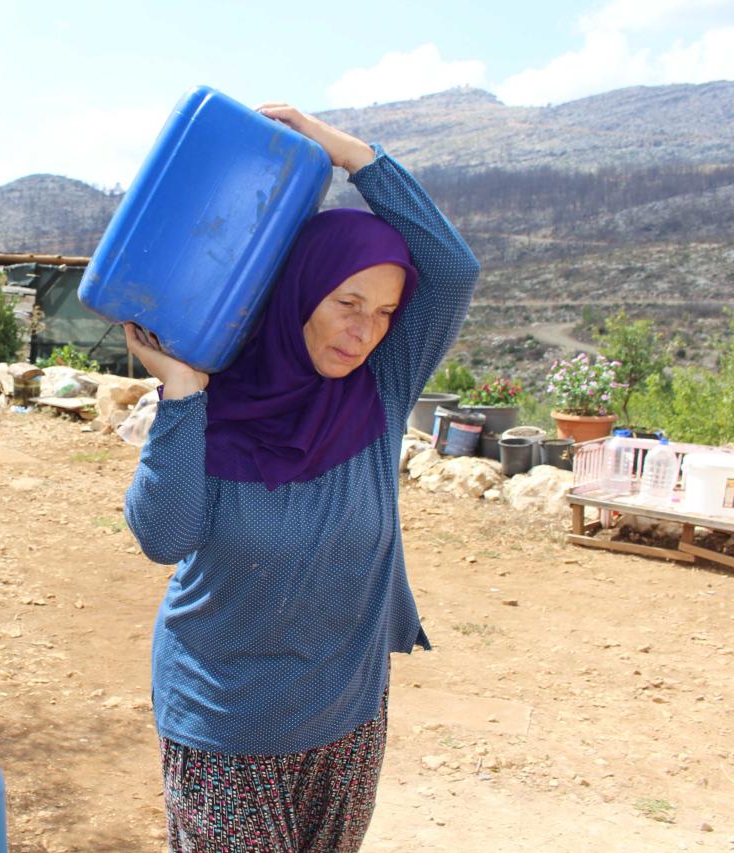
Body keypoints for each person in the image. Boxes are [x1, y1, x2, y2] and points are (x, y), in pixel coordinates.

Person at [122, 103, 481, 852]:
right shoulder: (215, 405)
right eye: (348, 302)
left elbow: (453, 267)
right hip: (224, 727)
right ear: (297, 291)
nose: (365, 330)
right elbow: (164, 535)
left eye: (384, 312)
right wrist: (182, 390)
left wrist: (350, 154)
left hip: (346, 719)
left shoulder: (380, 392)